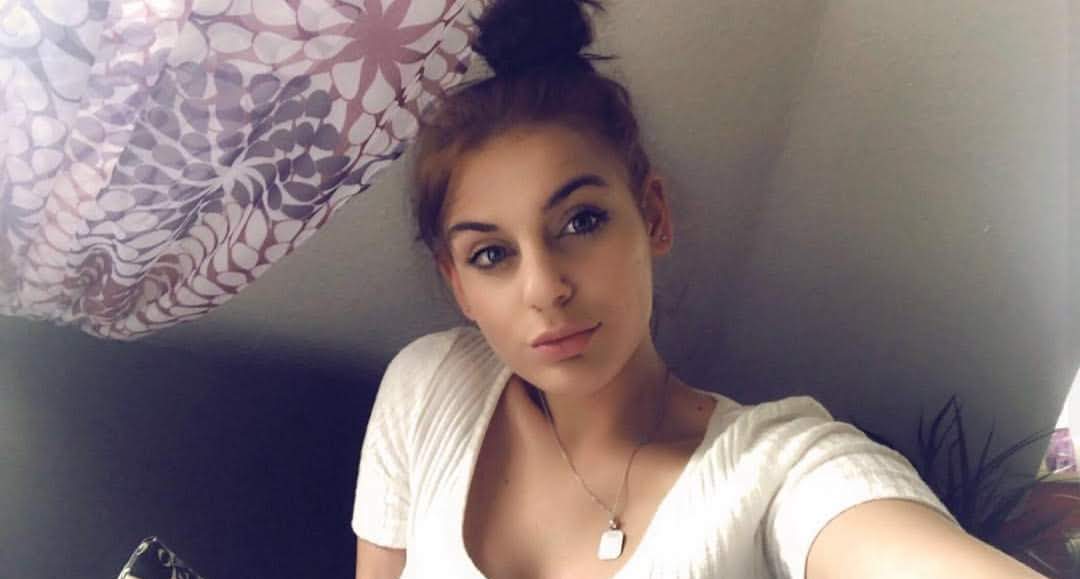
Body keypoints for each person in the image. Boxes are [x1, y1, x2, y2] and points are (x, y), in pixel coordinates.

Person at [352, 1, 1047, 577]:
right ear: (457, 283)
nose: (545, 288)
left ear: (653, 215)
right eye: (492, 254)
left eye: (581, 221)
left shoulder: (774, 470)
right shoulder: (428, 389)